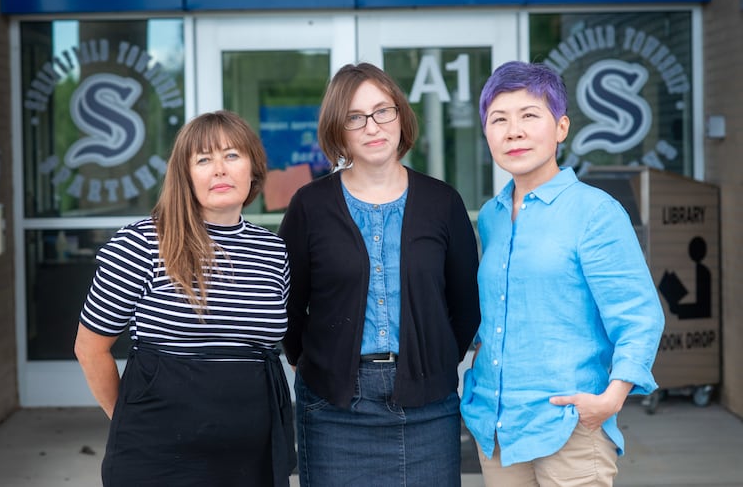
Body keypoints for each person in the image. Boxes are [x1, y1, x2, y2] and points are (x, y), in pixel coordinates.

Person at [460, 60, 665, 487]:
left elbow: (639, 315)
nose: (513, 131)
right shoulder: (493, 217)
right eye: (499, 120)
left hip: (569, 427)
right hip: (496, 428)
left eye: (529, 116)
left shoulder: (594, 213)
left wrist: (612, 398)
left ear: (561, 127)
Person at [278, 62, 481, 486]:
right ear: (338, 130)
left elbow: (465, 306)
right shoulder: (309, 206)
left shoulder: (442, 202)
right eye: (355, 117)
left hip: (428, 403)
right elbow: (288, 307)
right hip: (333, 408)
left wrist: (433, 359)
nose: (372, 126)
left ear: (401, 116)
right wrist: (317, 363)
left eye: (382, 111)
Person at [74, 110, 295, 487]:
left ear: (253, 170)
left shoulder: (272, 250)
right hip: (157, 455)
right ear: (185, 175)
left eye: (232, 155)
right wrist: (129, 419)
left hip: (252, 452)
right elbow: (90, 348)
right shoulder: (141, 242)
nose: (220, 170)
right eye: (204, 159)